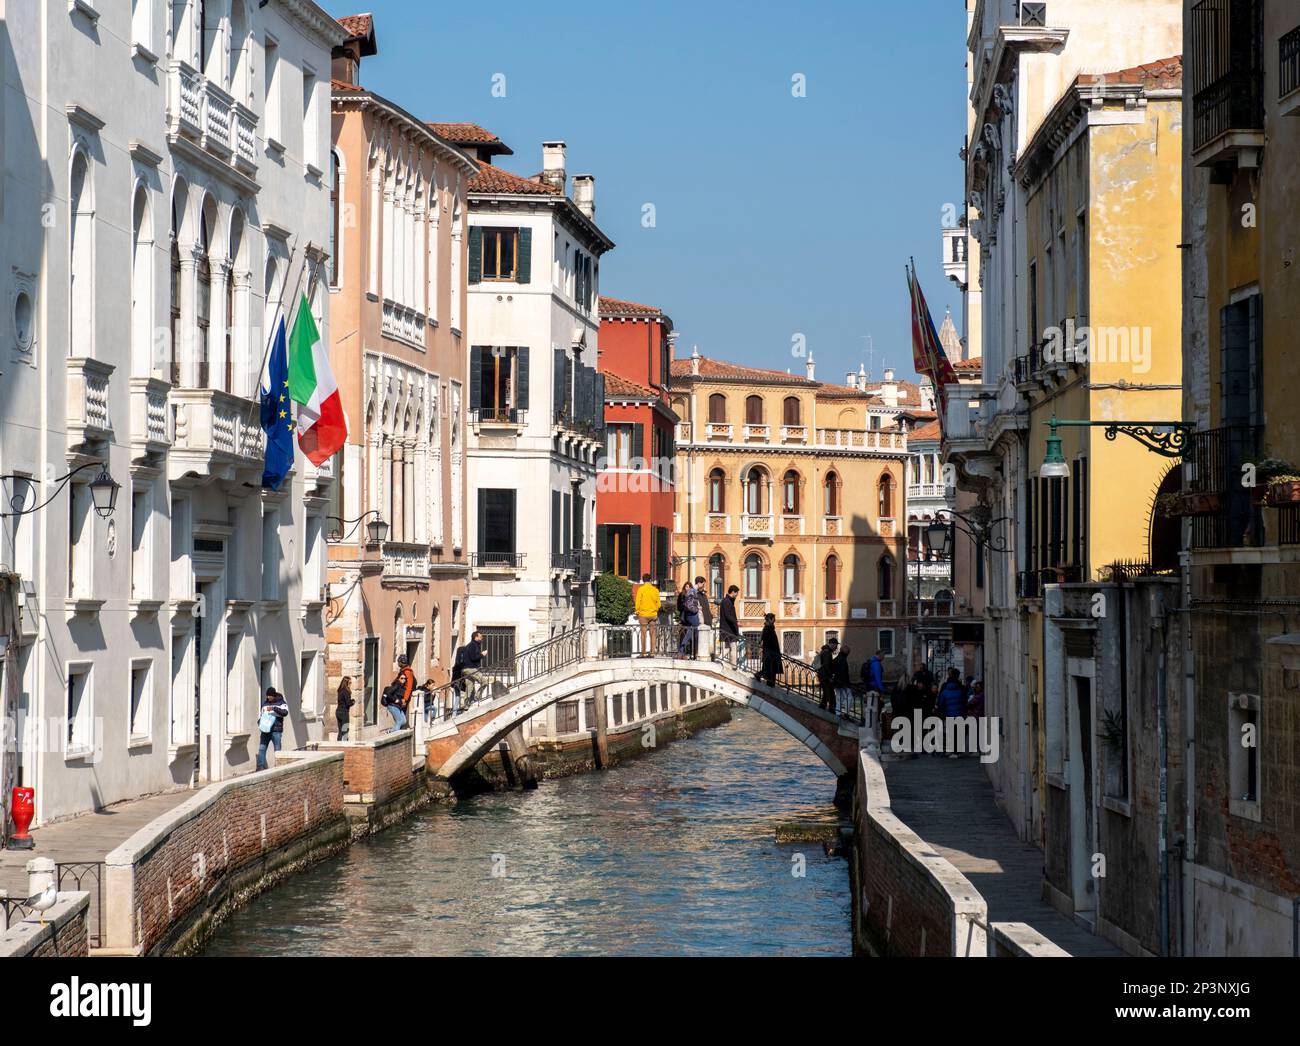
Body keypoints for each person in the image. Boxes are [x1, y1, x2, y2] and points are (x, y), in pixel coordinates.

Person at [936, 667, 968, 758]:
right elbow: (964, 702)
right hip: (959, 714)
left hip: (949, 715)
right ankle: (958, 751)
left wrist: (941, 711)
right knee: (959, 732)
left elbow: (941, 703)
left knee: (951, 733)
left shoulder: (945, 691)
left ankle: (952, 751)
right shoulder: (960, 690)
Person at [256, 687, 289, 770]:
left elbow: (285, 713)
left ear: (273, 695)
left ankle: (278, 766)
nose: (268, 697)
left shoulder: (281, 703)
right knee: (262, 748)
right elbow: (262, 715)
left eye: (270, 696)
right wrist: (260, 722)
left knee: (277, 749)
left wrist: (274, 708)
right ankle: (260, 766)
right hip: (265, 730)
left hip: (276, 730)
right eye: (267, 696)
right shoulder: (265, 704)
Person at [634, 573, 661, 657]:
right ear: (650, 580)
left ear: (643, 580)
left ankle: (644, 653)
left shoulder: (641, 589)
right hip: (653, 614)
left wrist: (637, 611)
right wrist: (655, 609)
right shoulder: (655, 590)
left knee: (643, 634)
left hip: (643, 614)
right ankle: (652, 652)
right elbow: (659, 604)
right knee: (653, 634)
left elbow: (637, 602)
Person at [386, 654, 415, 732]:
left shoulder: (407, 672)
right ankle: (397, 730)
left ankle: (393, 731)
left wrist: (405, 699)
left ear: (401, 662)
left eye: (398, 662)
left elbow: (409, 686)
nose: (398, 663)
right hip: (400, 696)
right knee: (400, 718)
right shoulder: (404, 671)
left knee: (401, 718)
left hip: (402, 697)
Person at [459, 631, 486, 705]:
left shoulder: (473, 645)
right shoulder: (472, 645)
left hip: (466, 669)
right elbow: (473, 658)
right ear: (476, 637)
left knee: (469, 687)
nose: (481, 638)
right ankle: (477, 697)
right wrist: (482, 655)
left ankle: (465, 705)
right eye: (480, 637)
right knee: (484, 681)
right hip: (470, 668)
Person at [718, 585, 741, 666]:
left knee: (728, 647)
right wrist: (736, 622)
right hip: (729, 629)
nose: (737, 595)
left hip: (728, 628)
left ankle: (719, 660)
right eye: (737, 593)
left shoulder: (728, 601)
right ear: (733, 592)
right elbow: (728, 615)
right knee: (733, 647)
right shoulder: (727, 601)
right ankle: (733, 666)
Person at [677, 580, 701, 657]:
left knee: (691, 632)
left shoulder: (692, 592)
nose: (687, 588)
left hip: (688, 615)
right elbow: (681, 606)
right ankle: (683, 651)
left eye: (689, 587)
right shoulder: (688, 593)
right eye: (686, 587)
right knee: (691, 632)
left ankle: (687, 651)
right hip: (687, 616)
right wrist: (695, 609)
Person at [757, 612, 781, 686]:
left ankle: (761, 677)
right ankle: (769, 683)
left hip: (771, 653)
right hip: (770, 653)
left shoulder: (768, 627)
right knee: (770, 669)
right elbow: (766, 641)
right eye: (774, 619)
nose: (775, 620)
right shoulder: (768, 628)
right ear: (770, 619)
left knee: (769, 669)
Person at [694, 576, 714, 657]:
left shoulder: (704, 595)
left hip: (707, 620)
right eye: (703, 584)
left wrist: (711, 615)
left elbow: (706, 607)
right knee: (698, 639)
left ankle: (708, 654)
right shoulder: (695, 594)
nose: (704, 586)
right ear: (699, 583)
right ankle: (697, 654)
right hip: (700, 620)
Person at [816, 638, 838, 711]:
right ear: (832, 644)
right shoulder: (827, 652)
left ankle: (823, 705)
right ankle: (832, 708)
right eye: (835, 645)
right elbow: (826, 665)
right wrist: (830, 676)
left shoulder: (826, 651)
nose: (836, 647)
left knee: (826, 692)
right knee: (830, 692)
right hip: (824, 676)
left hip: (823, 675)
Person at [832, 643, 853, 718]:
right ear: (846, 653)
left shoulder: (837, 658)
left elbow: (833, 670)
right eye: (848, 652)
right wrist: (846, 684)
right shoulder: (842, 660)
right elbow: (843, 673)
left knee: (839, 698)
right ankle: (846, 714)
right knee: (849, 698)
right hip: (843, 683)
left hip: (837, 682)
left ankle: (838, 713)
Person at [335, 676, 354, 741]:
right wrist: (353, 701)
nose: (351, 684)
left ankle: (338, 745)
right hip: (344, 713)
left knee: (340, 731)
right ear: (347, 683)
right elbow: (348, 703)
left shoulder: (339, 690)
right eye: (350, 682)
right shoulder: (346, 691)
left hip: (338, 712)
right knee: (345, 730)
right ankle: (345, 745)